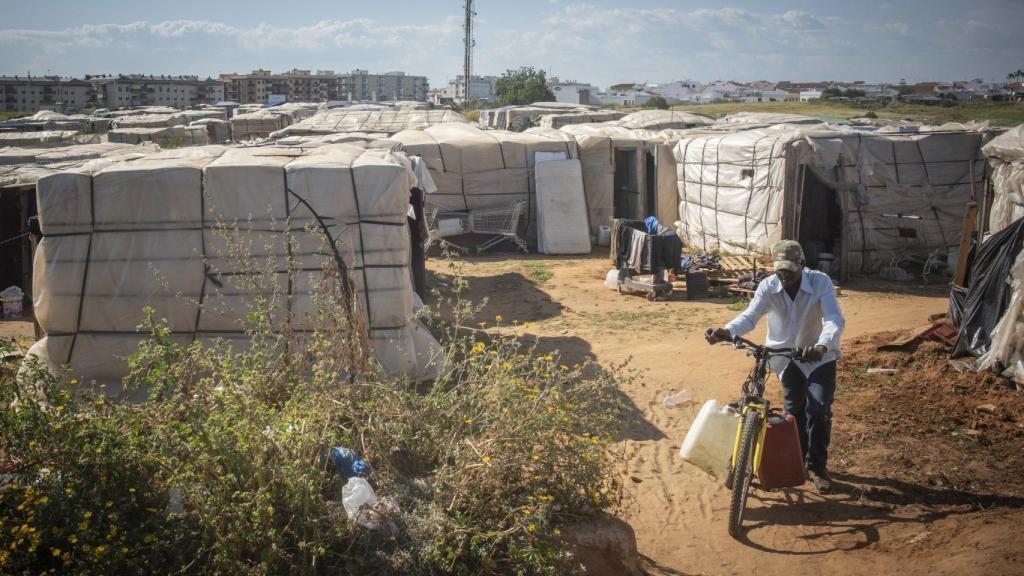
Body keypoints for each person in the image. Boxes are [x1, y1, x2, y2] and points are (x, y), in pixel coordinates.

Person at [705, 240, 845, 493]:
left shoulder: (820, 282)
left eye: (790, 270)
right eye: (780, 270)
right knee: (794, 411)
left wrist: (822, 346)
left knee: (818, 409)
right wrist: (727, 331)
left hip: (817, 357)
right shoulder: (768, 286)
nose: (785, 276)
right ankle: (798, 462)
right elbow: (750, 316)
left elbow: (833, 319)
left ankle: (817, 467)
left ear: (802, 265)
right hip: (784, 356)